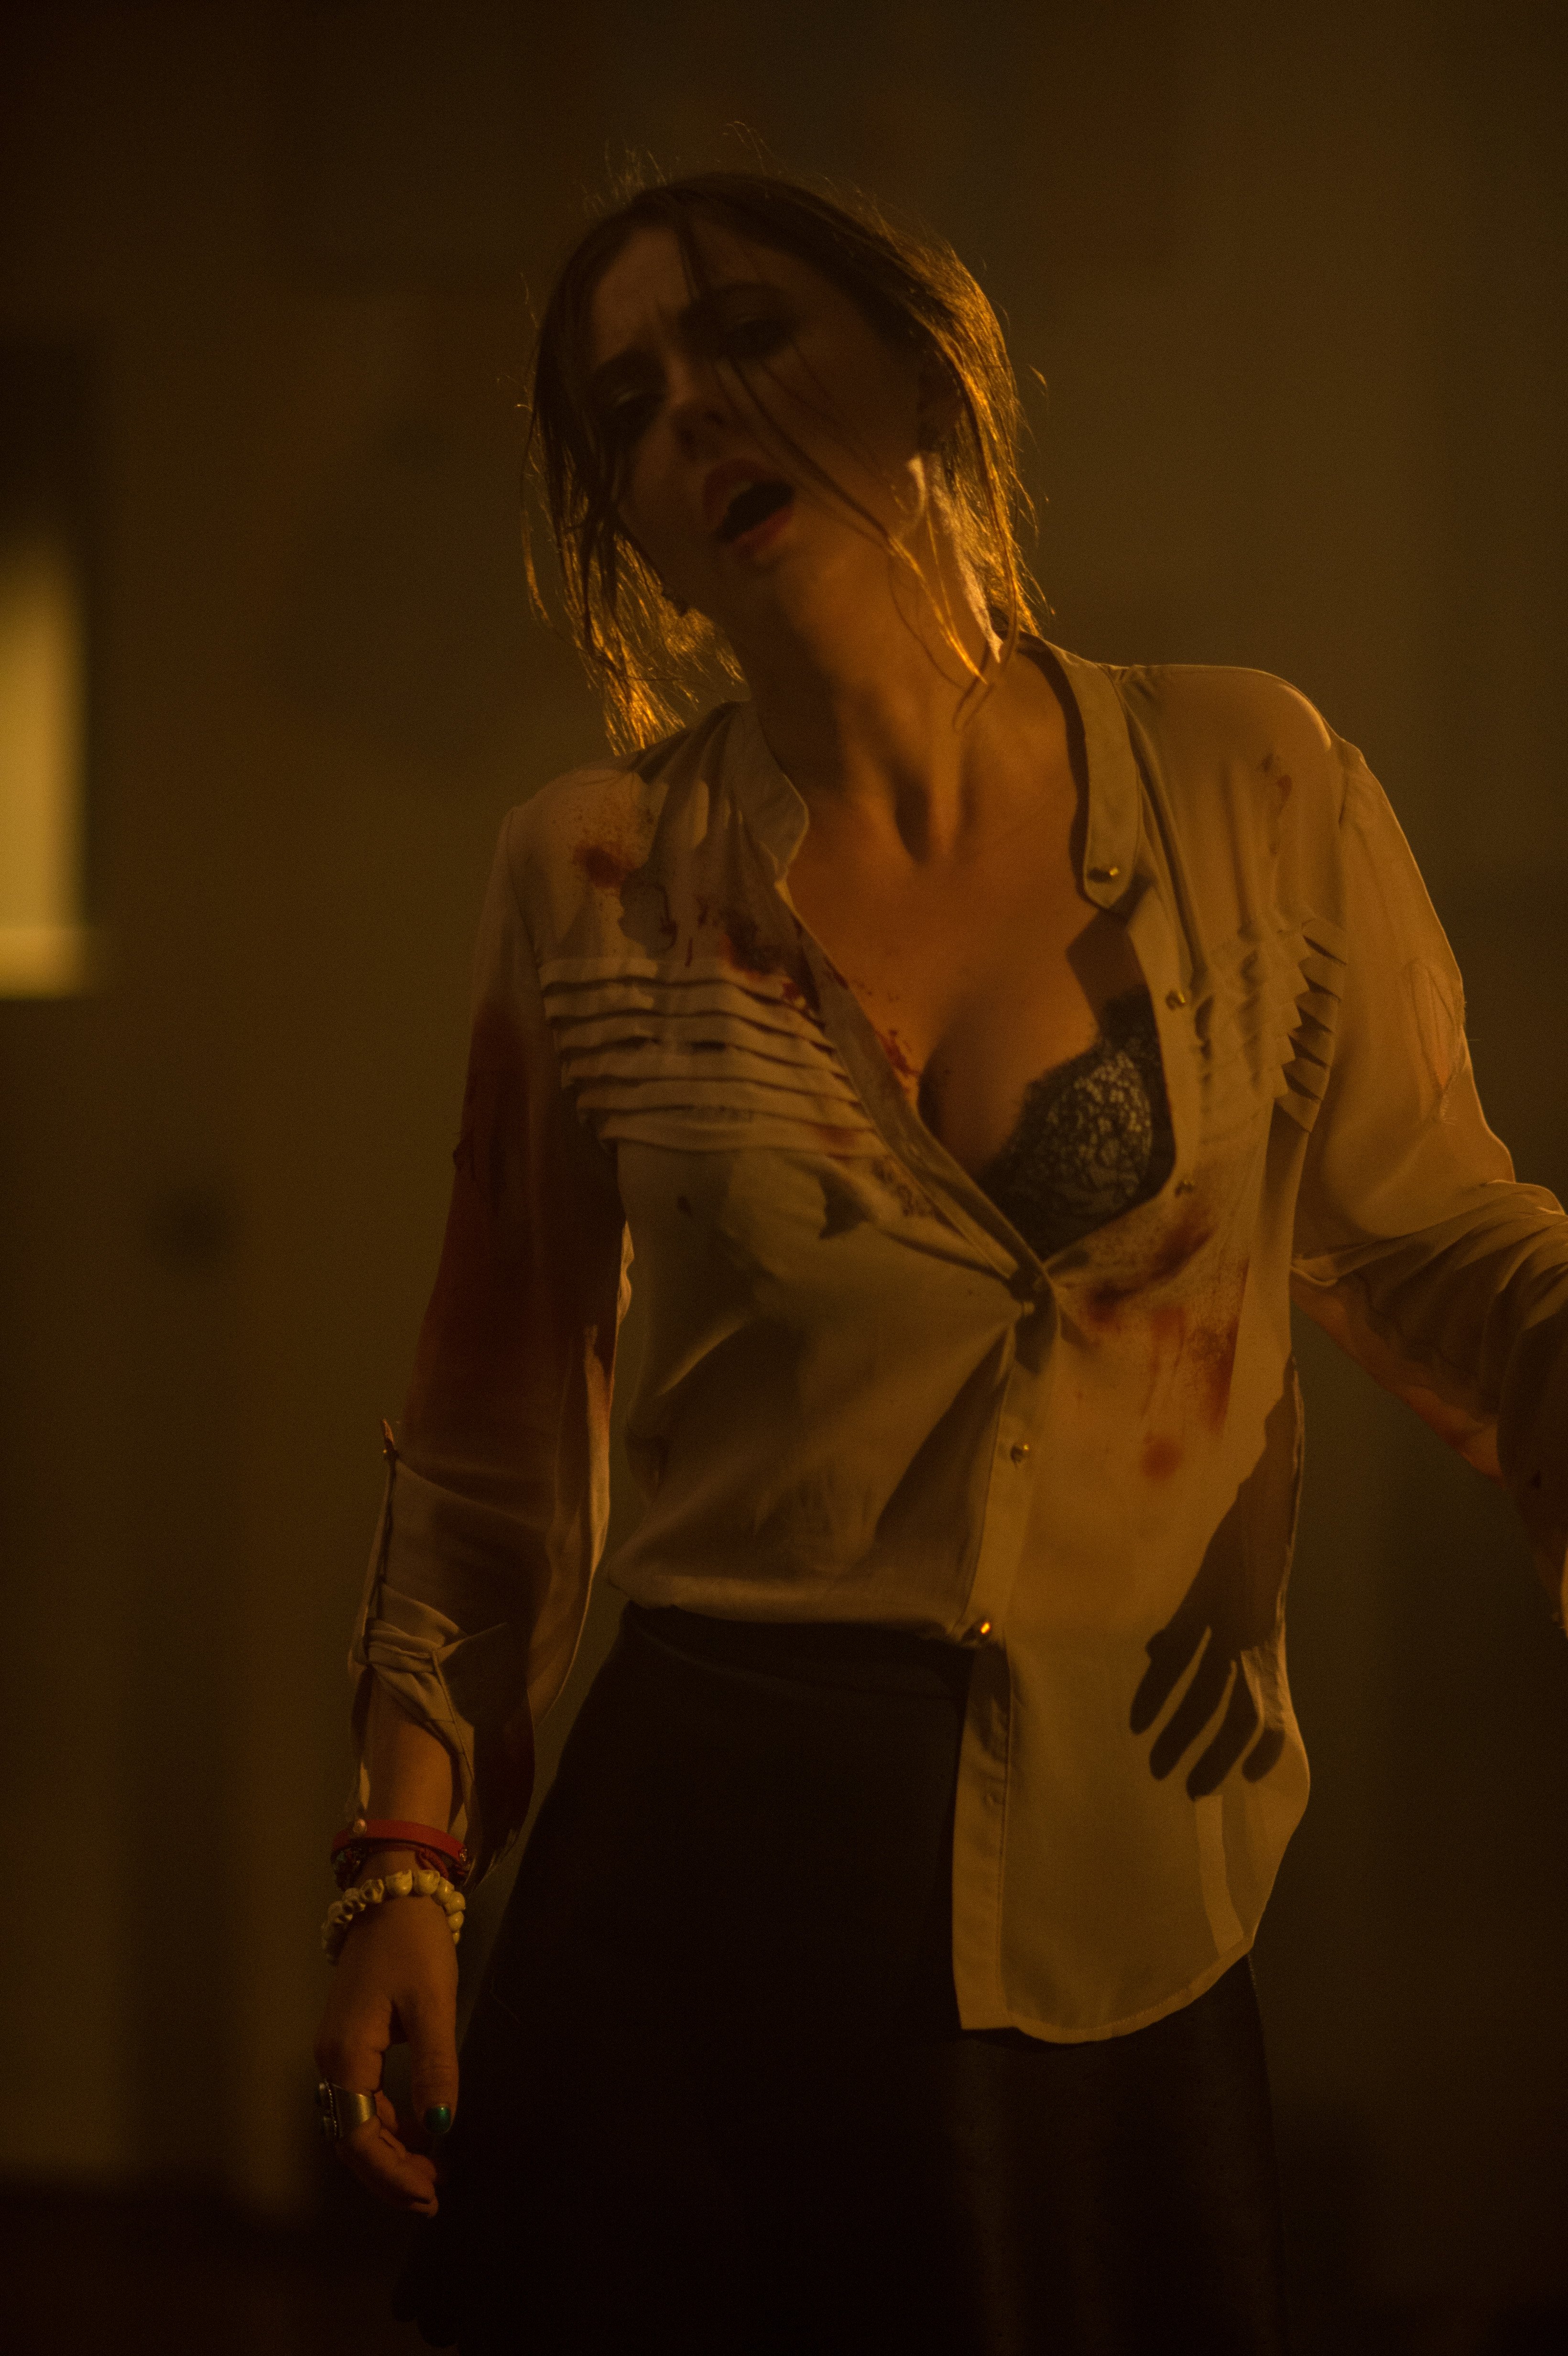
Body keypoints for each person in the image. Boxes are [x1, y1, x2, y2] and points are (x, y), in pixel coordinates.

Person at [312, 171, 1568, 2355]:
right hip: (698, 1860)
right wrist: (400, 1860)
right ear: (631, 530)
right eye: (630, 406)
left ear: (927, 370)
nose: (696, 413)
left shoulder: (1247, 784)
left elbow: (1433, 1232)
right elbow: (496, 1419)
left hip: (1113, 1880)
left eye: (746, 336)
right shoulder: (594, 877)